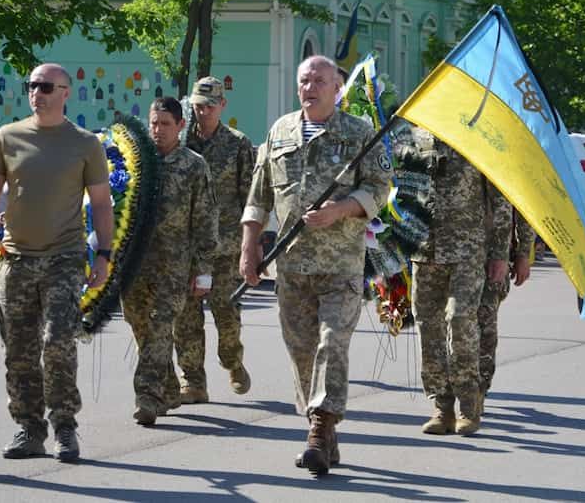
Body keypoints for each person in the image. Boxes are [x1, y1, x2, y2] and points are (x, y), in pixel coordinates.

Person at [0, 62, 114, 463]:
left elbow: (100, 202)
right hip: (16, 258)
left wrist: (105, 256)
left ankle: (65, 427)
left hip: (64, 257)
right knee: (19, 350)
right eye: (31, 85)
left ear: (65, 92)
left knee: (57, 342)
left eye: (45, 86)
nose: (36, 92)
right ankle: (29, 428)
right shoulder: (8, 137)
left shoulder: (84, 143)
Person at [240, 55, 391, 477]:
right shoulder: (280, 130)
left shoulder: (358, 133)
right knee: (301, 352)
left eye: (319, 81)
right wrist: (248, 247)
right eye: (304, 80)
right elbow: (259, 195)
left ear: (337, 88)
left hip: (340, 264)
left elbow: (380, 189)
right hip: (290, 267)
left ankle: (319, 431)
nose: (310, 87)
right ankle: (325, 435)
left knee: (331, 343)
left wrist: (341, 209)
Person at [396, 128, 511, 437]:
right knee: (429, 327)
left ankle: (469, 406)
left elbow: (500, 202)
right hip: (424, 251)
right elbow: (400, 194)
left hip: (467, 251)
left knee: (460, 321)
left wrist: (501, 253)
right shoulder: (412, 140)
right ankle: (441, 407)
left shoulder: (478, 138)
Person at [122, 97, 218, 426]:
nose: (157, 130)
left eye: (165, 124)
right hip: (134, 265)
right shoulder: (133, 162)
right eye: (153, 123)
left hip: (175, 265)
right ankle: (168, 386)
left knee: (161, 326)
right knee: (141, 327)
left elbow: (206, 220)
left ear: (180, 126)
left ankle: (147, 396)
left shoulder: (193, 165)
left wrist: (204, 269)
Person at [173, 76, 255, 404]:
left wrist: (254, 241)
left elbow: (251, 195)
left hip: (226, 246)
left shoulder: (238, 144)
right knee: (186, 315)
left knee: (225, 309)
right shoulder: (180, 144)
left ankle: (232, 360)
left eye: (209, 106)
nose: (203, 112)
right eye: (197, 106)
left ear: (222, 105)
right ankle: (193, 380)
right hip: (186, 247)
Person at [477, 210, 535, 414]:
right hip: (449, 253)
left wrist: (524, 253)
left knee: (484, 322)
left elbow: (522, 206)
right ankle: (451, 390)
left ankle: (478, 391)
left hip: (493, 257)